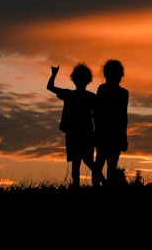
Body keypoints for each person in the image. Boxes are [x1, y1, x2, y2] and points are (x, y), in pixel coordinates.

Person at [47, 63, 102, 187]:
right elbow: (99, 114)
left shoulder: (70, 95)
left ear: (74, 80)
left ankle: (91, 183)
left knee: (78, 163)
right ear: (88, 81)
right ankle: (100, 182)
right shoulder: (90, 97)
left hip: (76, 133)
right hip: (84, 132)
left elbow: (50, 87)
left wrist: (54, 75)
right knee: (86, 162)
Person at [94, 59, 129, 187]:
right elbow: (98, 112)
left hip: (113, 133)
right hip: (106, 132)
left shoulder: (122, 93)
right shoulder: (104, 90)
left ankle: (105, 187)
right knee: (102, 164)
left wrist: (124, 137)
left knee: (108, 165)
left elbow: (123, 116)